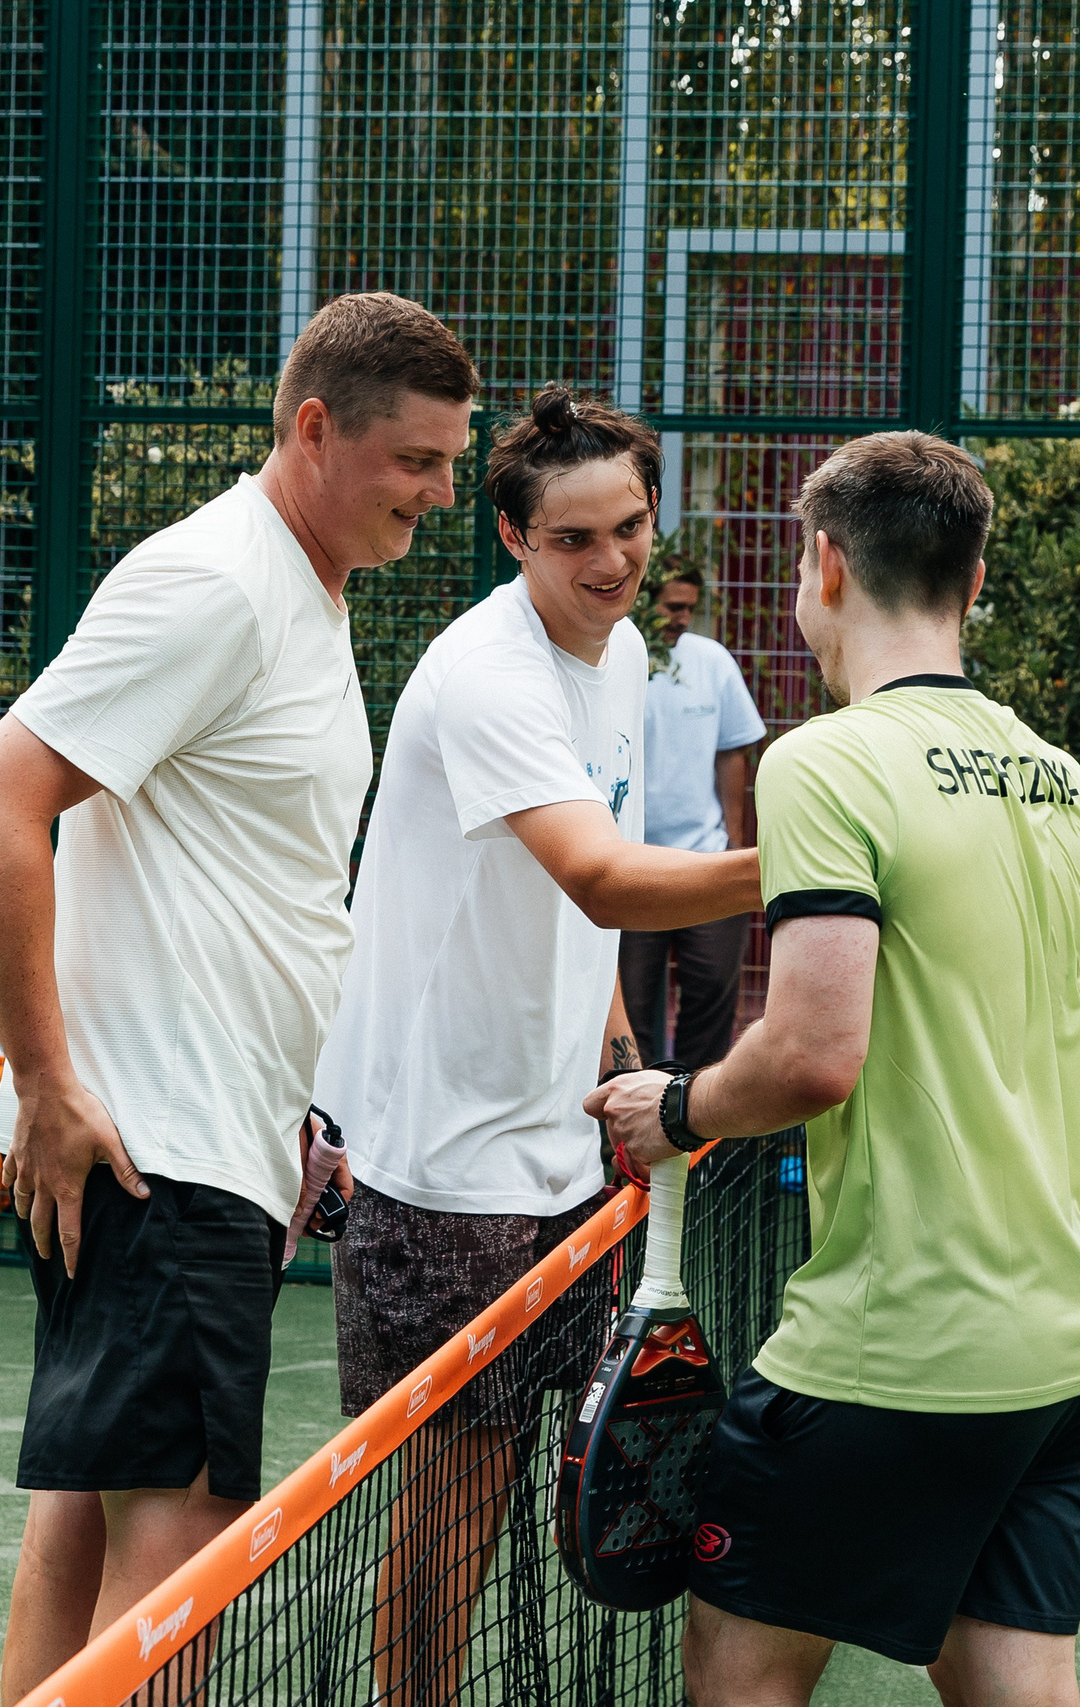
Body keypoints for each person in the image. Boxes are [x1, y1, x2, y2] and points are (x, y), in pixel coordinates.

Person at [0, 293, 479, 1706]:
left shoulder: (300, 595)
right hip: (148, 1150)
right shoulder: (222, 584)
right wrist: (50, 1085)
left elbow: (235, 881)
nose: (441, 489)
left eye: (449, 460)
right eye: (417, 459)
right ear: (315, 428)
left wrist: (281, 1117)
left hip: (195, 1146)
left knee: (85, 1514)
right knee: (181, 1574)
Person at [591, 431, 1080, 1707]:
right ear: (975, 575)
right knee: (1014, 1672)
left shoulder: (825, 761)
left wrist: (672, 1109)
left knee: (741, 1671)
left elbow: (809, 1055)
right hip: (1078, 1333)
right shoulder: (1063, 785)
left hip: (905, 1339)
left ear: (826, 566)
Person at [310, 383, 758, 1704]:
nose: (614, 560)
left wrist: (617, 1047)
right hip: (444, 1166)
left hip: (556, 1147)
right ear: (514, 537)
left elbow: (582, 920)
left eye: (629, 527)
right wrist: (815, 858)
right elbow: (607, 878)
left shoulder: (619, 653)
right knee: (450, 1518)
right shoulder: (490, 673)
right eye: (576, 539)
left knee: (521, 1503)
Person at [617, 564, 766, 1067]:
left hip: (705, 858)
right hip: (631, 865)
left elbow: (733, 752)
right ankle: (628, 1124)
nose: (683, 617)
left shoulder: (712, 662)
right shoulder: (616, 660)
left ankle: (697, 1115)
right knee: (628, 1006)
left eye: (689, 607)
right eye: (672, 606)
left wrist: (735, 841)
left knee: (711, 995)